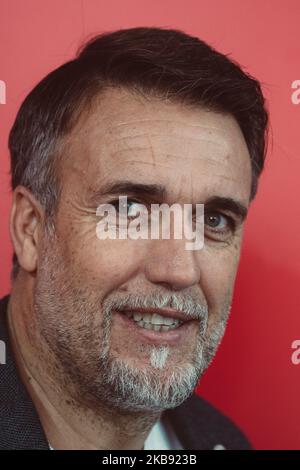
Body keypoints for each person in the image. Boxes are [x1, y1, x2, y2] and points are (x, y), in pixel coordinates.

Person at [0, 26, 268, 450]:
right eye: (130, 210)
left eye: (214, 220)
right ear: (31, 228)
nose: (180, 269)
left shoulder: (223, 441)